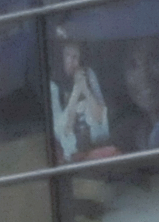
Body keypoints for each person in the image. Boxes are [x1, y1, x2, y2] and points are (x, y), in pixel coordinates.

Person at [47, 30, 114, 162]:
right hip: (72, 154)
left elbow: (101, 116)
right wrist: (76, 92)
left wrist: (86, 89)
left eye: (75, 57)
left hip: (98, 146)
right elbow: (63, 131)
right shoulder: (54, 87)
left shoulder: (89, 75)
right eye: (68, 56)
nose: (72, 62)